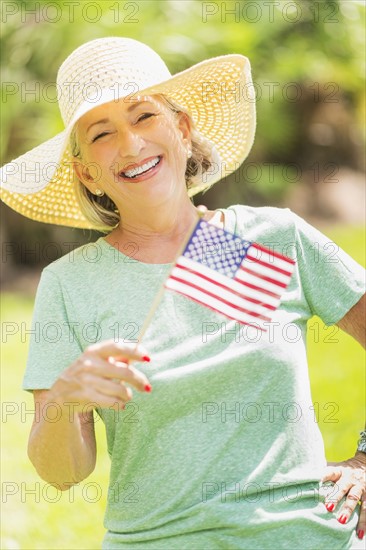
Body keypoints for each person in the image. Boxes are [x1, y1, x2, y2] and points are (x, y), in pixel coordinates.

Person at [1, 36, 365, 550]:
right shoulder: (69, 284)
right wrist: (65, 401)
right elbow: (61, 474)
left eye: (144, 116)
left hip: (303, 537)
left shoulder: (272, 239)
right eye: (102, 134)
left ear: (183, 128)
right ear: (87, 172)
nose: (130, 145)